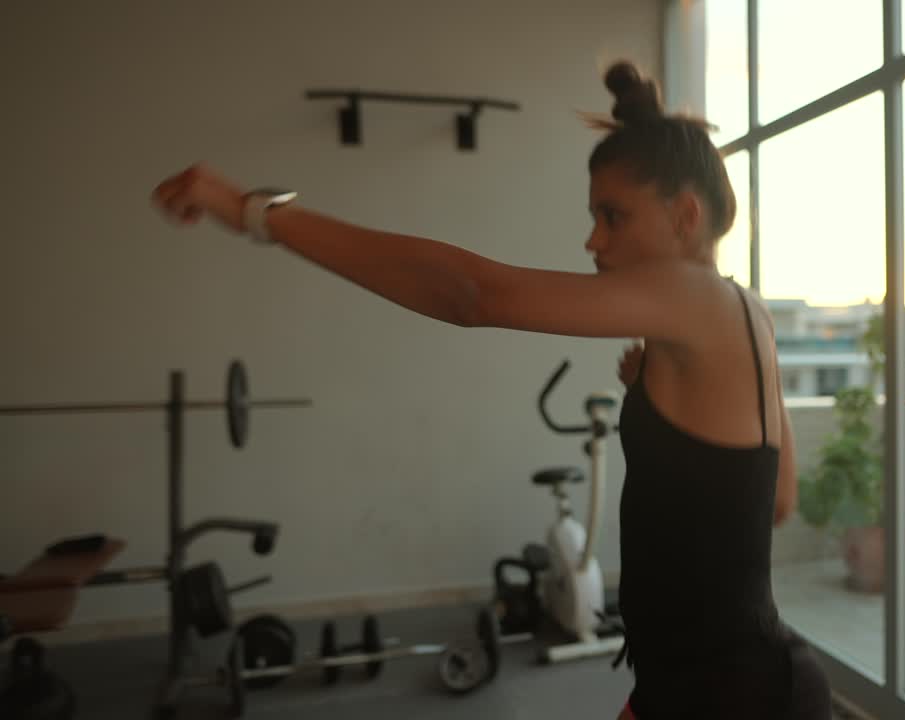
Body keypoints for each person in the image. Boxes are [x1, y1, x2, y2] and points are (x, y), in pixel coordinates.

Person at [152, 60, 832, 720]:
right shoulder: (744, 316)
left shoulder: (695, 300)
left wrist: (254, 213)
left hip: (736, 698)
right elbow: (775, 497)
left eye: (613, 216)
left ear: (686, 216)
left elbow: (471, 295)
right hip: (700, 683)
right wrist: (659, 398)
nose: (593, 240)